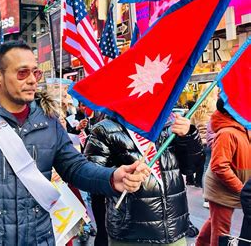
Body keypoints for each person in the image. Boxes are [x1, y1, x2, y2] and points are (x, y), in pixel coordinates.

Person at [0, 41, 150, 245]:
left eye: (35, 73)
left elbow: (75, 168)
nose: (31, 80)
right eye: (22, 73)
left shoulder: (48, 121)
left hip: (38, 238)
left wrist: (111, 177)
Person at [84, 111, 203, 245]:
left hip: (173, 229)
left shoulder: (168, 124)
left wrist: (189, 136)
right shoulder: (105, 129)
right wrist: (117, 177)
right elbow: (90, 178)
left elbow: (190, 168)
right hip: (130, 233)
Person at [196, 98, 251, 246]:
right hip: (222, 190)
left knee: (215, 221)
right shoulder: (227, 132)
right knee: (221, 232)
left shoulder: (242, 127)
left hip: (231, 187)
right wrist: (241, 189)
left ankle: (200, 244)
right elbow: (220, 166)